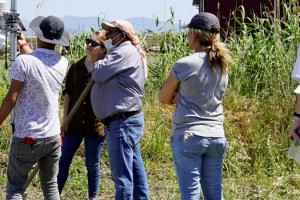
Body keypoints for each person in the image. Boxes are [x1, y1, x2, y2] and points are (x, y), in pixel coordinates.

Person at [159, 12, 232, 200]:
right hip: (216, 135)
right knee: (215, 193)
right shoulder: (222, 65)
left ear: (194, 34)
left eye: (188, 33)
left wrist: (178, 95)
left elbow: (163, 98)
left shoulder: (185, 64)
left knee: (190, 194)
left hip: (189, 135)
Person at [0, 15, 69, 199]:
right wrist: (22, 44)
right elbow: (37, 62)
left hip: (27, 135)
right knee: (50, 185)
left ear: (39, 35)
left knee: (15, 188)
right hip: (52, 135)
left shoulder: (25, 62)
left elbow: (11, 99)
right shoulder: (63, 62)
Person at [86, 20, 149, 199]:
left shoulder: (124, 51)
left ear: (121, 34)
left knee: (122, 176)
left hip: (121, 122)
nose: (107, 36)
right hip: (124, 121)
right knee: (135, 172)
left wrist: (92, 60)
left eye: (110, 32)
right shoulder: (124, 52)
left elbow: (97, 73)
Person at [57, 31, 107, 200]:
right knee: (63, 160)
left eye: (94, 44)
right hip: (74, 122)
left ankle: (92, 197)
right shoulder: (76, 66)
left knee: (92, 164)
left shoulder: (105, 68)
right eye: (88, 41)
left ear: (103, 50)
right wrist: (65, 121)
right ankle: (54, 195)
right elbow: (68, 93)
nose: (89, 45)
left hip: (95, 124)